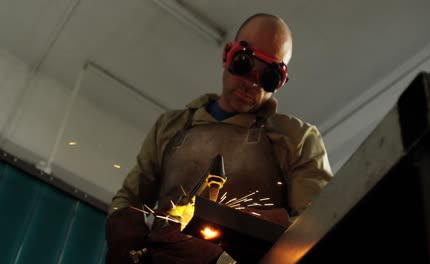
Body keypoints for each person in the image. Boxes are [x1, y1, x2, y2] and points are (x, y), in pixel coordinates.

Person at [106, 13, 333, 264]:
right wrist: (124, 230)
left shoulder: (296, 139)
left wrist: (236, 243)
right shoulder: (171, 127)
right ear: (227, 54)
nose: (251, 84)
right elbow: (128, 198)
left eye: (268, 76)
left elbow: (317, 226)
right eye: (244, 63)